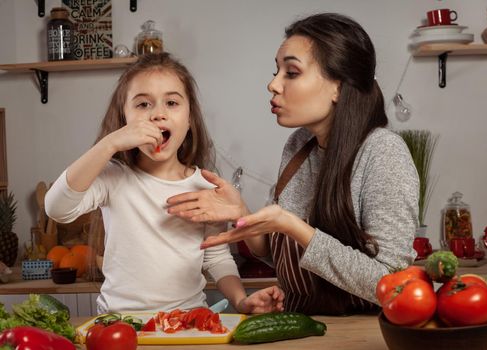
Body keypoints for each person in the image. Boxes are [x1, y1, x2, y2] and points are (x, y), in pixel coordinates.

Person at [166, 13, 419, 315]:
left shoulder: (383, 153)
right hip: (302, 327)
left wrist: (293, 226)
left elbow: (392, 284)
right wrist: (241, 213)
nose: (273, 84)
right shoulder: (299, 145)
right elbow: (283, 257)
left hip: (363, 334)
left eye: (292, 72)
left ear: (338, 86)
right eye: (277, 71)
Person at [45, 53, 284, 315]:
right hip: (120, 325)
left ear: (190, 118)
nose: (158, 114)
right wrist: (109, 143)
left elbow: (217, 257)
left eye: (171, 102)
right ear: (124, 119)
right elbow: (56, 208)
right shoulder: (113, 177)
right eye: (143, 104)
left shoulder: (205, 187)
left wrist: (240, 301)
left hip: (187, 324)